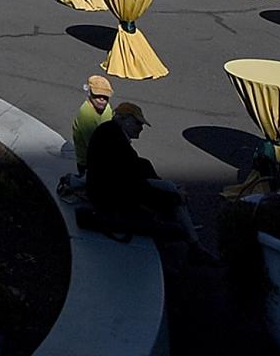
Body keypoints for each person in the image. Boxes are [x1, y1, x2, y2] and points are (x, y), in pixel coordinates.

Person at [79, 101, 203, 258]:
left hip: (104, 192)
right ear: (125, 119)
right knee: (171, 193)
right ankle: (194, 245)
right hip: (110, 200)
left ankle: (190, 236)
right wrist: (174, 198)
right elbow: (136, 189)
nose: (141, 128)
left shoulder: (108, 133)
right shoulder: (117, 143)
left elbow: (135, 174)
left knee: (168, 188)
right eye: (138, 123)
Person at [63, 72, 112, 193]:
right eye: (97, 95)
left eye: (105, 96)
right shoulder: (86, 114)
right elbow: (93, 147)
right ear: (89, 94)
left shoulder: (107, 109)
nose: (102, 99)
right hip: (88, 161)